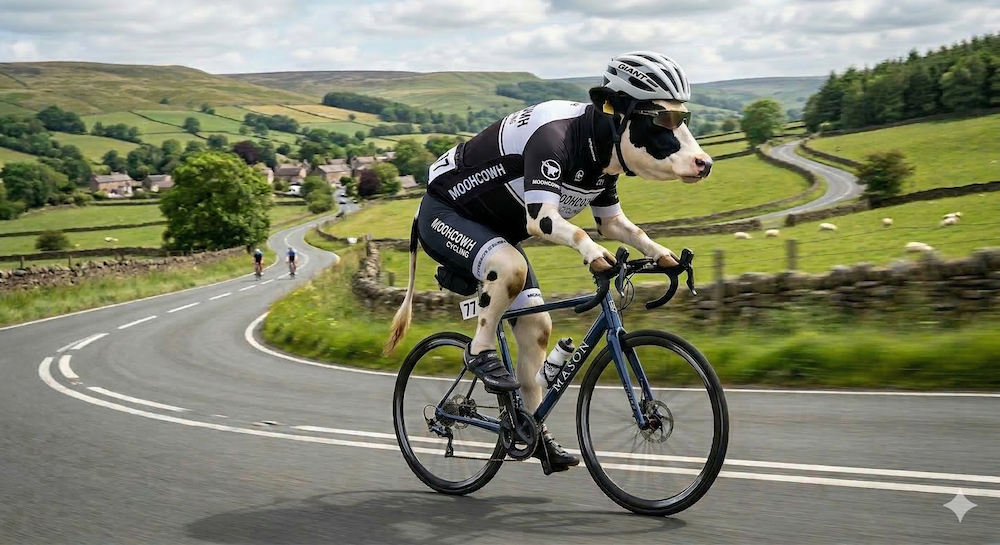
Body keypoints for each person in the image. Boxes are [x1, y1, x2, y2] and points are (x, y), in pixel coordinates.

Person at [384, 51, 713, 474]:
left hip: (496, 232)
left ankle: (531, 432)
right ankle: (480, 349)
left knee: (538, 329)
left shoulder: (603, 158)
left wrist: (658, 253)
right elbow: (540, 219)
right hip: (447, 214)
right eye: (661, 121)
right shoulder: (556, 135)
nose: (671, 130)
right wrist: (586, 248)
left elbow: (612, 222)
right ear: (621, 114)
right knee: (510, 268)